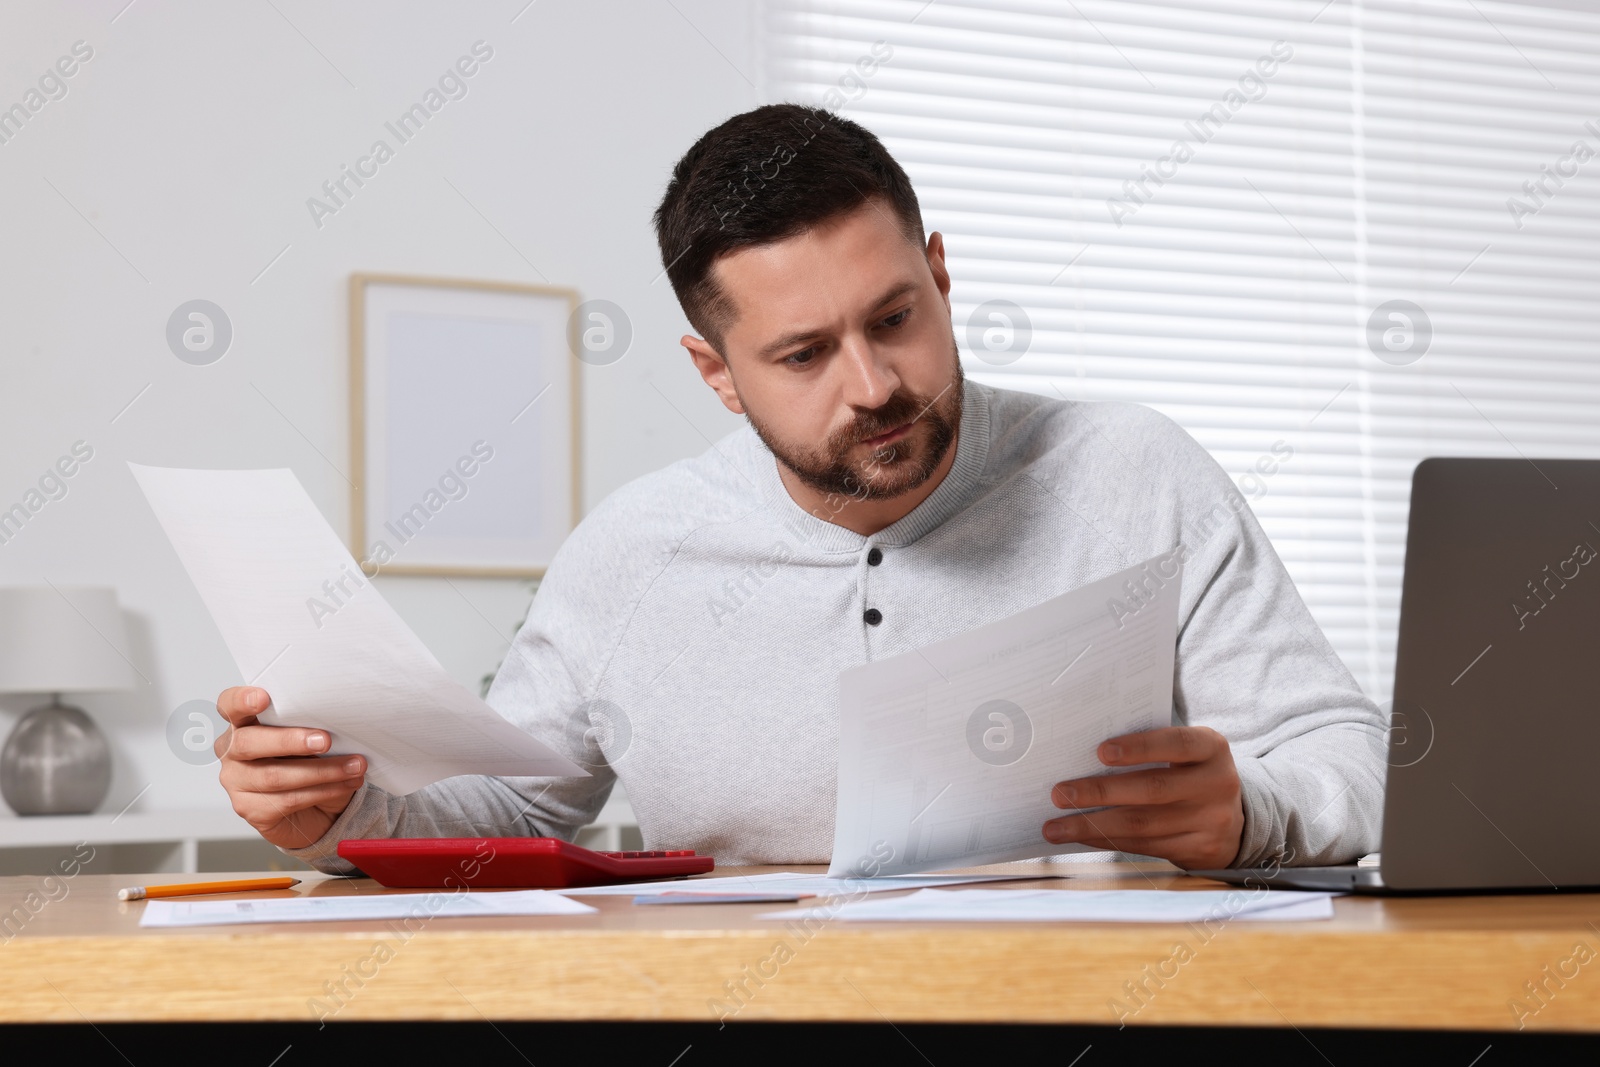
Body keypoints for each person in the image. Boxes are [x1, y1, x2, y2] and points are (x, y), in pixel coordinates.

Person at [213, 103, 1385, 874]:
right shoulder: (632, 552)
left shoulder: (1134, 472)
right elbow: (518, 818)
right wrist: (336, 813)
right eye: (803, 354)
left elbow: (1357, 762)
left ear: (937, 271)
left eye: (894, 318)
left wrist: (1248, 813)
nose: (875, 385)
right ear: (716, 374)